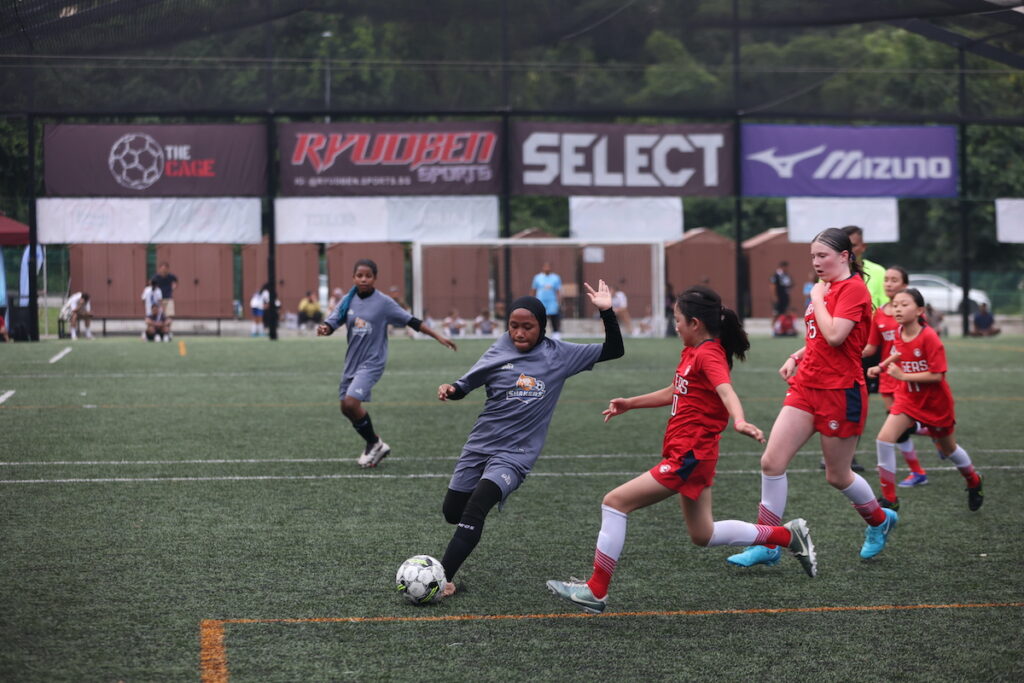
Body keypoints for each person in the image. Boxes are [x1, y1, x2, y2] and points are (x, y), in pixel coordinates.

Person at [546, 286, 815, 615]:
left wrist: (740, 420)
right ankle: (787, 536)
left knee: (614, 502)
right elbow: (676, 389)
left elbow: (726, 391)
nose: (675, 326)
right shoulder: (692, 351)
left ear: (696, 323)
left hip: (690, 456)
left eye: (678, 321)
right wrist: (631, 403)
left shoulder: (709, 354)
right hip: (692, 455)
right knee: (703, 534)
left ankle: (596, 590)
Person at [434, 283, 624, 599]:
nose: (519, 333)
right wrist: (450, 390)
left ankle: (440, 580)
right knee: (453, 512)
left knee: (476, 508)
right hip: (479, 445)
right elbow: (464, 385)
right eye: (514, 326)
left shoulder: (560, 355)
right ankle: (462, 537)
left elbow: (614, 349)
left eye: (527, 327)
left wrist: (606, 311)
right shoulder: (498, 349)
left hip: (516, 454)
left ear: (542, 327)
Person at [727, 228, 897, 568]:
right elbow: (820, 336)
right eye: (813, 256)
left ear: (844, 256)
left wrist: (817, 297)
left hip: (840, 392)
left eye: (822, 256)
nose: (816, 262)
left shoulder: (852, 289)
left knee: (837, 475)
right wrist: (797, 355)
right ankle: (769, 543)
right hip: (806, 386)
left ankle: (880, 520)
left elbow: (836, 336)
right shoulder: (827, 287)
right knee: (771, 462)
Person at [318, 259, 456, 467]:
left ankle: (374, 444)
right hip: (352, 362)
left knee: (351, 403)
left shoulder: (384, 303)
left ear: (375, 278)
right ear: (353, 278)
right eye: (359, 276)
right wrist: (325, 328)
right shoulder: (348, 299)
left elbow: (411, 321)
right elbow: (333, 321)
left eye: (368, 276)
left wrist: (438, 336)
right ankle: (375, 444)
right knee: (346, 408)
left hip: (372, 362)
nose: (364, 279)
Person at [869, 288, 983, 512]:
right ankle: (890, 498)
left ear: (920, 310)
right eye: (895, 305)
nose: (898, 309)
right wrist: (881, 366)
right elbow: (899, 351)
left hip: (935, 403)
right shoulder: (899, 330)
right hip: (907, 398)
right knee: (884, 439)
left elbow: (937, 375)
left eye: (904, 305)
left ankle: (973, 480)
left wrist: (903, 376)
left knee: (948, 449)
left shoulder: (929, 337)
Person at [860, 266, 928, 488]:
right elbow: (871, 347)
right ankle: (919, 469)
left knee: (899, 427)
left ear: (905, 285)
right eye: (886, 279)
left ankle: (919, 466)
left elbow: (923, 342)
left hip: (907, 375)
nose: (888, 283)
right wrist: (848, 352)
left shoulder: (913, 314)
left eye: (894, 280)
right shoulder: (879, 313)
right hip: (888, 377)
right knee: (899, 428)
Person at [531, 262, 563, 339]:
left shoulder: (556, 278)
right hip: (541, 301)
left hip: (552, 301)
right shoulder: (537, 278)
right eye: (545, 267)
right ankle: (539, 334)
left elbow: (558, 290)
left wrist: (559, 301)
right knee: (540, 318)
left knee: (554, 318)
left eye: (548, 267)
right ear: (543, 268)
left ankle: (556, 335)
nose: (547, 268)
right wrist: (532, 301)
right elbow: (533, 290)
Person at [152, 261, 178, 340]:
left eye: (165, 268)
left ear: (168, 269)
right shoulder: (156, 277)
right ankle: (157, 333)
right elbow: (151, 284)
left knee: (169, 316)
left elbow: (175, 281)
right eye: (162, 268)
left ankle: (167, 332)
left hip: (168, 299)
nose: (164, 270)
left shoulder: (171, 276)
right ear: (160, 269)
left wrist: (173, 287)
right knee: (158, 317)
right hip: (159, 300)